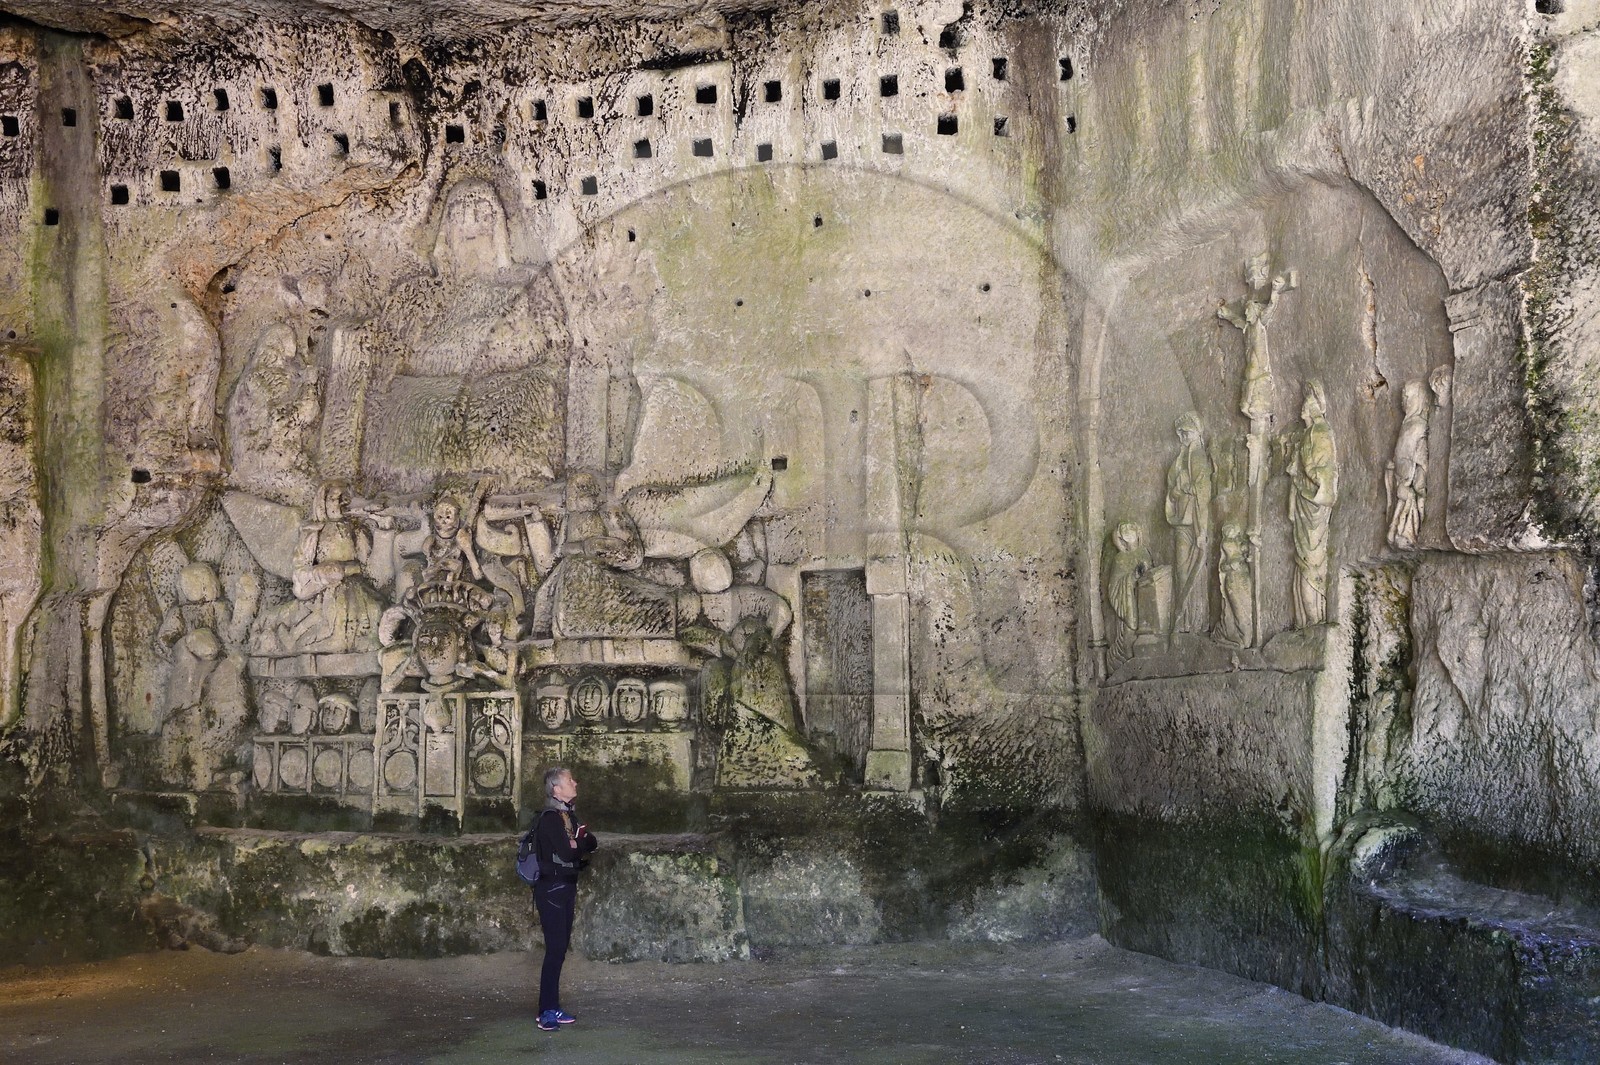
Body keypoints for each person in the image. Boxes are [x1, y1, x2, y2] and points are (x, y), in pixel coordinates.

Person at [532, 766, 598, 1032]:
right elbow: (569, 852)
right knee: (555, 949)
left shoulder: (568, 816)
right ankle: (546, 1010)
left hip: (566, 886)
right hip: (552, 889)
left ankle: (552, 1006)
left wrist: (578, 843)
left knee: (559, 950)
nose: (576, 783)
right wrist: (579, 844)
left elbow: (590, 843)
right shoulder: (550, 819)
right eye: (570, 780)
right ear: (556, 789)